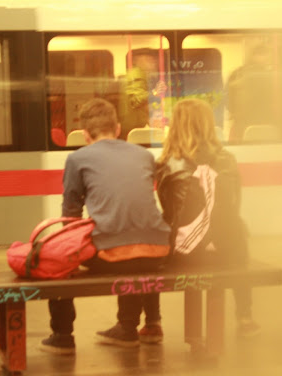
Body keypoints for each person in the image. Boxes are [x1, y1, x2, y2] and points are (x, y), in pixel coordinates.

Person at [40, 98, 170, 355]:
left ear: (85, 134)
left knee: (58, 258)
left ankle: (62, 335)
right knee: (134, 242)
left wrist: (66, 254)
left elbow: (71, 217)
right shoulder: (144, 154)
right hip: (158, 250)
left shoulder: (78, 158)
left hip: (116, 255)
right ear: (118, 128)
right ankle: (131, 326)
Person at [155, 98, 260, 337]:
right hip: (226, 251)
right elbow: (234, 205)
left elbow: (169, 211)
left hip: (182, 253)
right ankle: (245, 316)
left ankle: (153, 323)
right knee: (235, 229)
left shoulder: (164, 163)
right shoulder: (227, 159)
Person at [226, 43, 279, 142]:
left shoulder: (238, 73)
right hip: (257, 121)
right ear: (254, 55)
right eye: (263, 54)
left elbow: (228, 99)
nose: (267, 59)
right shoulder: (267, 76)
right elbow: (229, 98)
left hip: (246, 121)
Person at [119, 49, 166, 140]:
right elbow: (136, 100)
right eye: (149, 60)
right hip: (134, 126)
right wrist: (155, 93)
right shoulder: (136, 74)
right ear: (137, 60)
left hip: (135, 124)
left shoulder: (141, 75)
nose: (154, 63)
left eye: (154, 60)